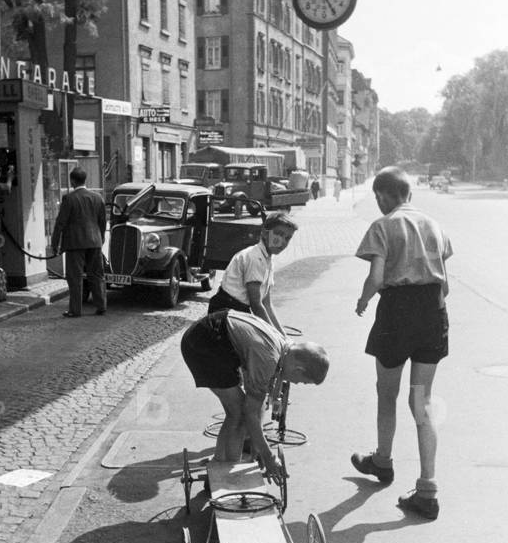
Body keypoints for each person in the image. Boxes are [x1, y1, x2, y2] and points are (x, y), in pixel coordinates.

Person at [351, 166, 453, 520]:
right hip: (432, 313)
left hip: (396, 315)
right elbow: (446, 286)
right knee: (422, 402)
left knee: (387, 393)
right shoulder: (435, 225)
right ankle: (427, 489)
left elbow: (376, 278)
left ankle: (382, 461)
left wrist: (363, 302)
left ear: (383, 195)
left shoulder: (384, 225)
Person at [181, 309, 329, 482]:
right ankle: (228, 475)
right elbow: (251, 414)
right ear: (298, 369)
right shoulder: (268, 360)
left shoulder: (283, 346)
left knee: (237, 412)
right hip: (204, 343)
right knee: (239, 414)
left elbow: (259, 405)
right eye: (302, 381)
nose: (296, 384)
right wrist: (268, 456)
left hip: (213, 336)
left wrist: (259, 444)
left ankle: (219, 464)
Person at [207, 211, 298, 332]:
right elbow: (256, 305)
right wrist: (276, 336)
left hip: (239, 312)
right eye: (278, 234)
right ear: (265, 233)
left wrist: (283, 336)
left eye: (287, 238)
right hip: (225, 313)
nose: (283, 241)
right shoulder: (255, 258)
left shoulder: (268, 259)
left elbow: (266, 304)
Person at [51, 166, 107, 318]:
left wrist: (54, 244)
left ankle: (75, 310)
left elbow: (60, 223)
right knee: (96, 275)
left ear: (72, 181)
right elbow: (103, 221)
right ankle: (101, 305)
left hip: (75, 243)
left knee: (75, 277)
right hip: (95, 242)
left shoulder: (69, 199)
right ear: (85, 179)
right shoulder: (98, 198)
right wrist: (101, 237)